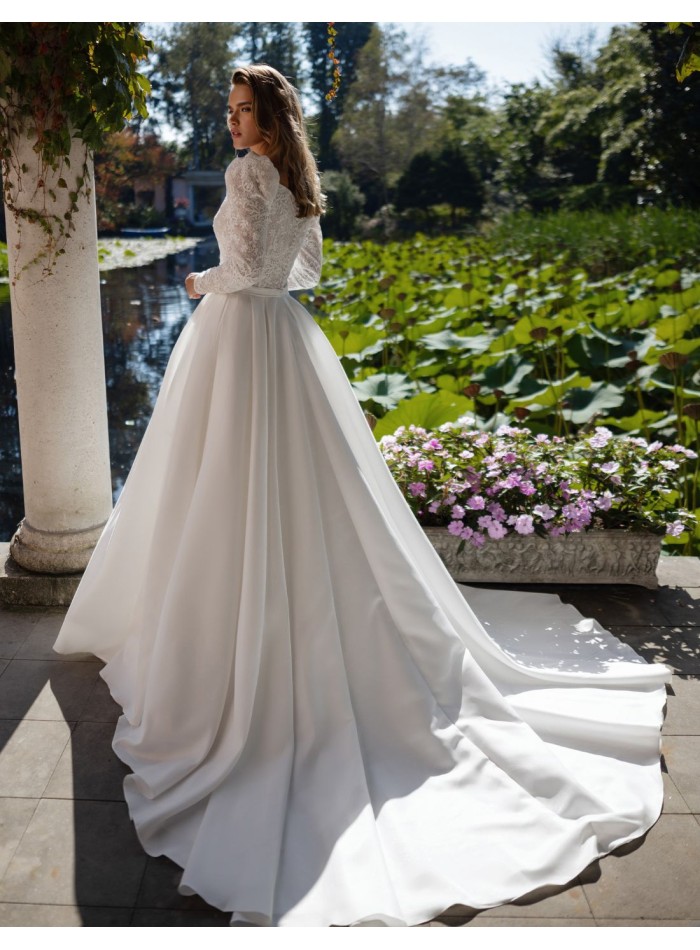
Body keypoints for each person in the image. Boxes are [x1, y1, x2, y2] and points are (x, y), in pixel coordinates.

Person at [54, 64, 671, 928]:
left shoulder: (243, 175)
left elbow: (235, 270)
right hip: (288, 345)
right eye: (229, 111)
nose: (231, 124)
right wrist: (249, 282)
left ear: (268, 116)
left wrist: (199, 285)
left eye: (242, 110)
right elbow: (300, 273)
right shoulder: (302, 182)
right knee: (307, 495)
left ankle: (224, 637)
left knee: (218, 486)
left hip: (237, 339)